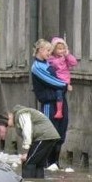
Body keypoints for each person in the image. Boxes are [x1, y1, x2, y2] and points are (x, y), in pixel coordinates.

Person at [31, 39, 69, 171]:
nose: (49, 53)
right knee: (49, 134)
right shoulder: (36, 67)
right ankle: (46, 163)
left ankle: (55, 163)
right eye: (47, 50)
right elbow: (52, 81)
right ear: (40, 50)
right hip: (49, 104)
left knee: (60, 134)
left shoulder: (48, 63)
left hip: (60, 101)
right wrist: (65, 85)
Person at [9, 104, 61, 178]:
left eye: (6, 121)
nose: (7, 125)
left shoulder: (21, 113)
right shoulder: (24, 114)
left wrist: (25, 151)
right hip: (50, 136)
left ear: (11, 115)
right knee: (38, 164)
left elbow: (27, 130)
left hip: (43, 137)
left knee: (28, 163)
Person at [48, 37, 78, 119]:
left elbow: (74, 62)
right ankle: (59, 110)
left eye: (63, 48)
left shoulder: (65, 57)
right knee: (59, 94)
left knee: (59, 93)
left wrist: (67, 55)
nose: (61, 51)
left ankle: (59, 111)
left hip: (64, 78)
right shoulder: (51, 58)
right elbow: (50, 65)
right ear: (54, 49)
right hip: (56, 79)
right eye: (59, 49)